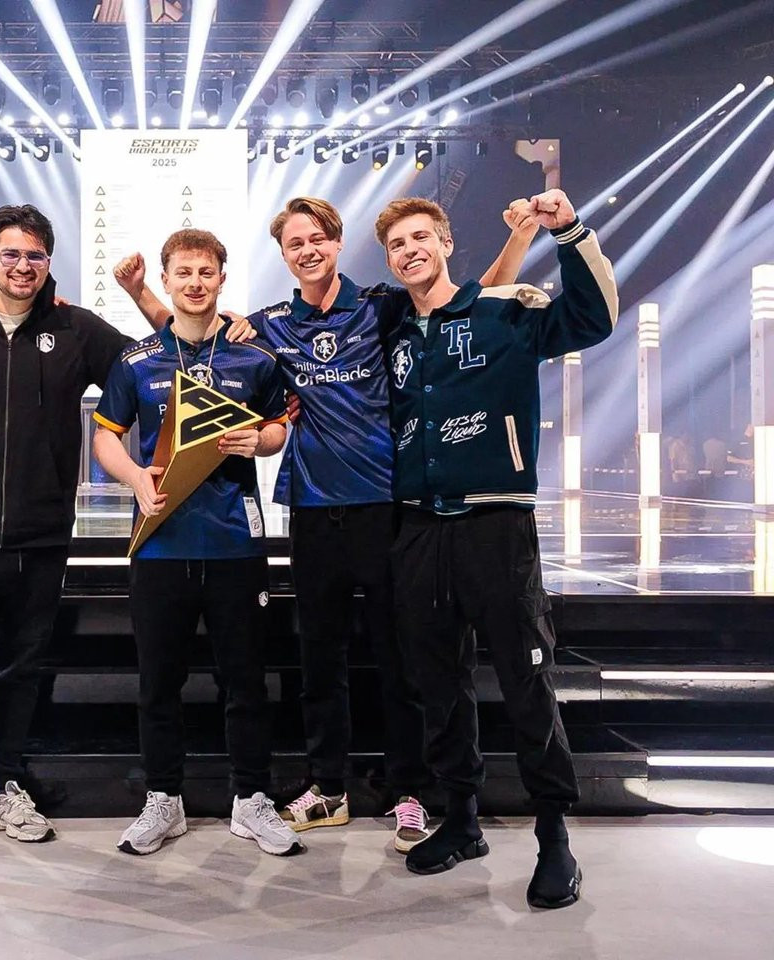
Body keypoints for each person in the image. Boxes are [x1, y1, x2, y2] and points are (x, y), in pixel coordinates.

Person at [115, 196, 535, 850]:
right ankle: (328, 787)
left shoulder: (381, 306)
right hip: (311, 511)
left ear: (337, 244)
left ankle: (409, 792)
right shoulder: (269, 326)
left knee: (399, 661)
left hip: (386, 510)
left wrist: (523, 237)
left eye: (317, 239)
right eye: (294, 244)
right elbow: (188, 333)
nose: (307, 250)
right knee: (320, 661)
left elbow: (468, 301)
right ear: (284, 255)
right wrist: (143, 292)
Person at [376, 191, 616, 908]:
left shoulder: (504, 313)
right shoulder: (393, 334)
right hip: (418, 529)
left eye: (421, 236)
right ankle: (462, 820)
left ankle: (555, 839)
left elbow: (594, 317)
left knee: (526, 681)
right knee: (439, 684)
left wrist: (568, 231)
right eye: (397, 244)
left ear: (446, 242)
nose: (410, 250)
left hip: (496, 527)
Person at [0, 204, 146, 855]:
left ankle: (5, 783)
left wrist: (161, 303)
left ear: (49, 263)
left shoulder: (76, 329)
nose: (22, 266)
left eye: (35, 255)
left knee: (20, 669)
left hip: (41, 534)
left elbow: (150, 366)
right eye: (10, 254)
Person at [93, 228, 301, 857]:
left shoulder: (254, 358)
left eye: (205, 272)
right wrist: (135, 478)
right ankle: (164, 799)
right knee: (159, 683)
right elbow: (105, 436)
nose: (194, 283)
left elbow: (277, 429)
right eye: (183, 273)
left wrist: (259, 442)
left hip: (236, 545)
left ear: (221, 279)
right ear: (166, 279)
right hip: (161, 546)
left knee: (245, 682)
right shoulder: (136, 361)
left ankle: (251, 799)